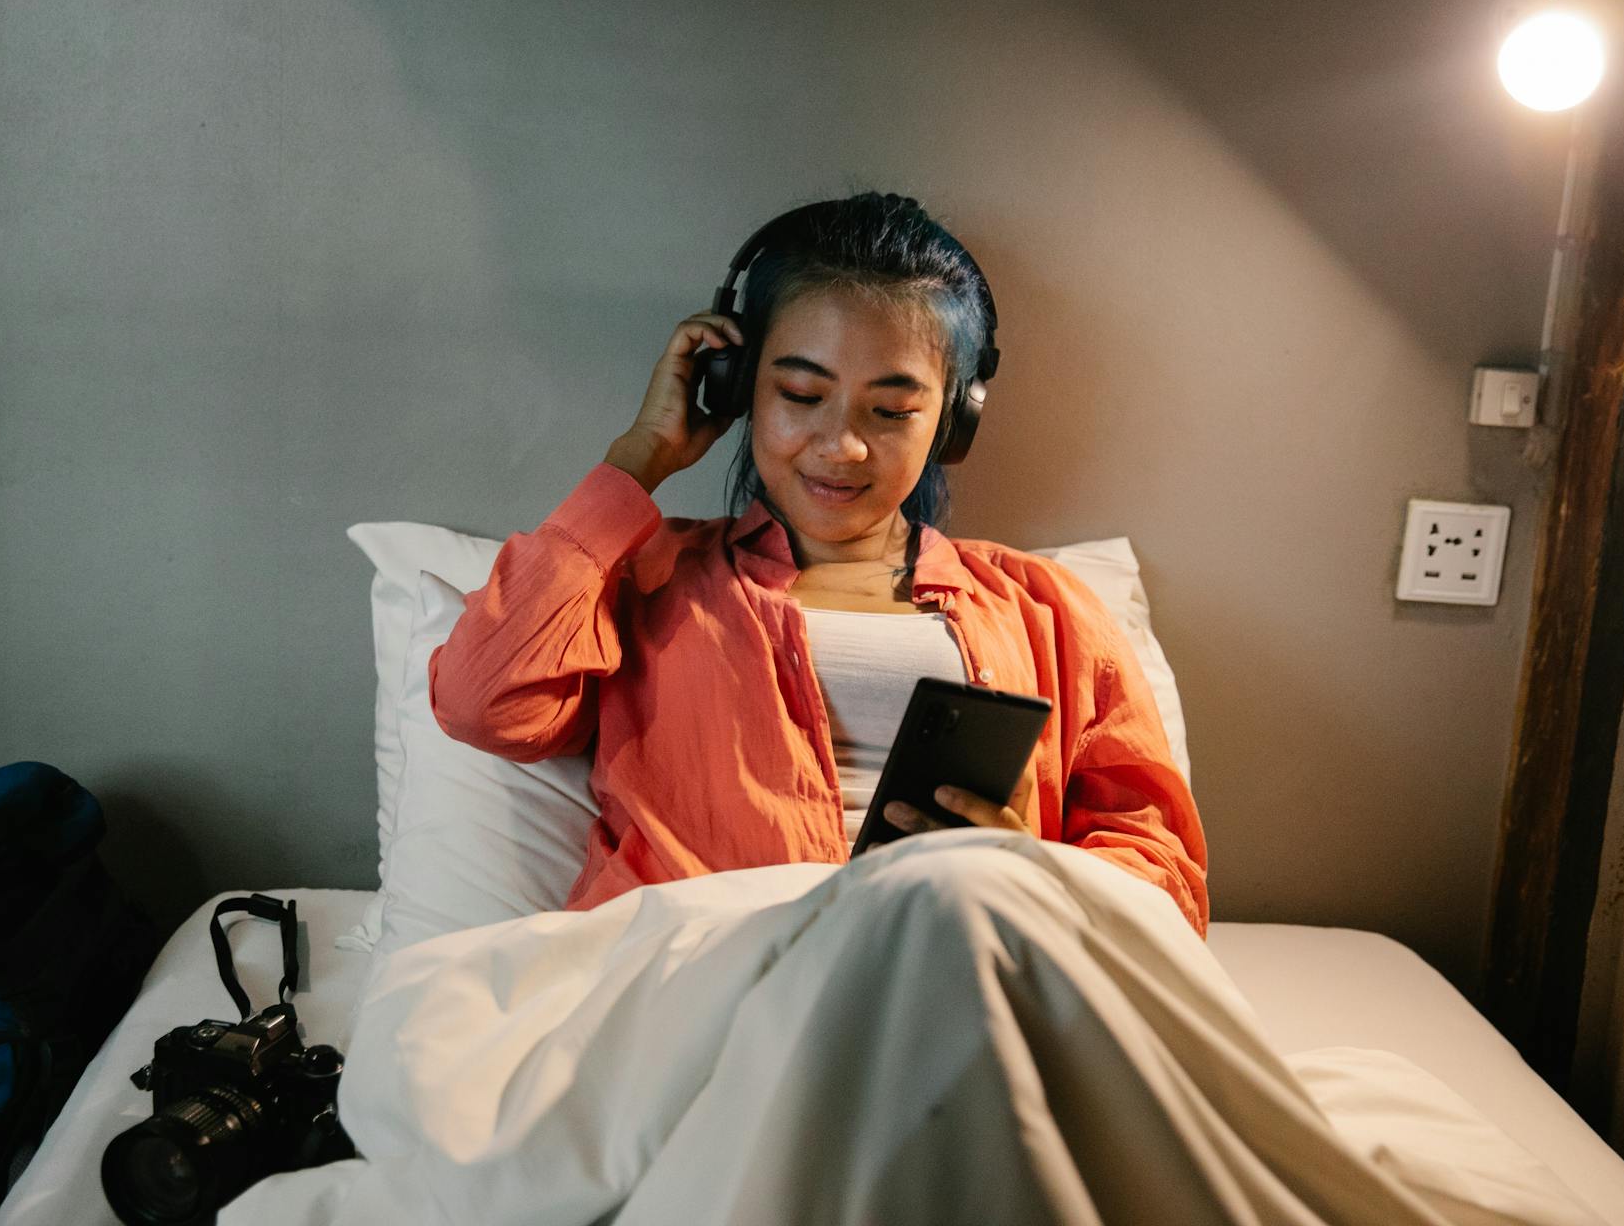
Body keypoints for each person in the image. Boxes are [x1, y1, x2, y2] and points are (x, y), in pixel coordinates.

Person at [429, 191, 1207, 937]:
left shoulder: (1046, 609)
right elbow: (482, 702)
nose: (842, 446)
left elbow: (1162, 875)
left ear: (952, 420)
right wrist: (637, 461)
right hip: (706, 981)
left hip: (950, 971)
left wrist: (1031, 876)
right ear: (736, 389)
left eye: (893, 411)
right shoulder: (643, 577)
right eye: (801, 394)